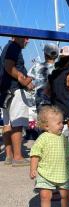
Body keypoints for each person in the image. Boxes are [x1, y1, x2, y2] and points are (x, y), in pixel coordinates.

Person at [30, 105, 69, 207]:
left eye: (62, 122)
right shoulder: (42, 138)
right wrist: (33, 169)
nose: (62, 125)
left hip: (63, 172)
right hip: (46, 173)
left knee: (66, 194)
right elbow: (35, 154)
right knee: (45, 196)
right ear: (46, 126)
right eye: (59, 123)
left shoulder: (63, 138)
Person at [0, 37, 34, 166]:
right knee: (18, 123)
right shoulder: (14, 47)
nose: (27, 41)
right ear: (17, 38)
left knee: (7, 124)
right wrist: (23, 80)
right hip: (15, 90)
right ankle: (18, 158)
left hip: (5, 91)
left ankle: (9, 156)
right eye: (25, 38)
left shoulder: (6, 48)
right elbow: (9, 66)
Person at [28, 43, 59, 111]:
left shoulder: (36, 66)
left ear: (45, 54)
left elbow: (28, 84)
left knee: (43, 121)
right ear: (57, 55)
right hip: (57, 102)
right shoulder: (59, 68)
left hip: (41, 102)